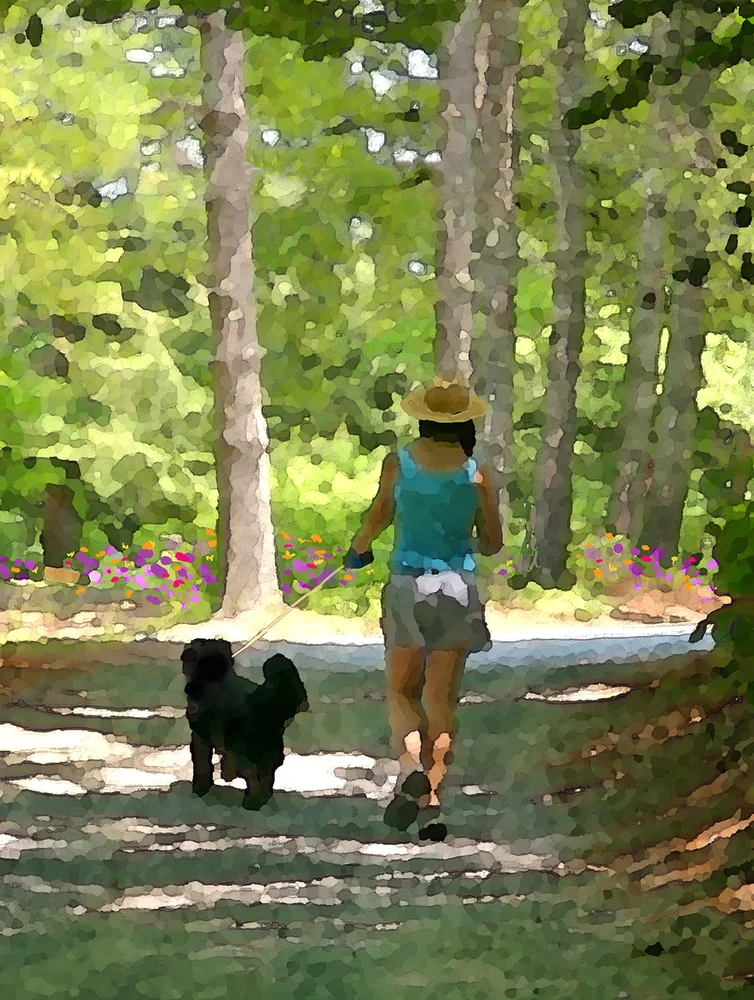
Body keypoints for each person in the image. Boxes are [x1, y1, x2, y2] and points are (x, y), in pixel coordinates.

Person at [344, 379, 503, 841]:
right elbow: (492, 543)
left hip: (408, 585)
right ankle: (432, 804)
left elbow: (378, 514)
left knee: (400, 692)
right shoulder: (477, 473)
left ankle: (410, 766)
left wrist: (357, 551)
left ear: (422, 418)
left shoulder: (400, 463)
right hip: (457, 588)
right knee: (440, 701)